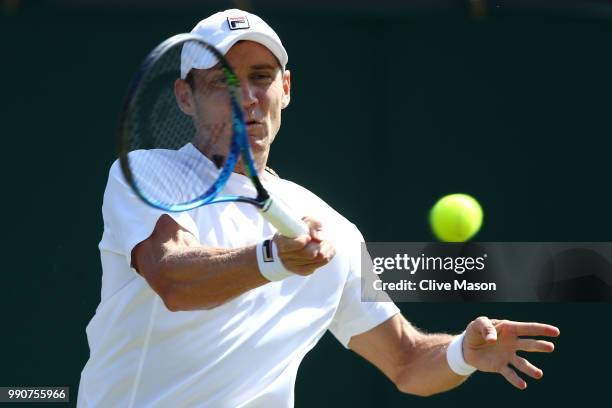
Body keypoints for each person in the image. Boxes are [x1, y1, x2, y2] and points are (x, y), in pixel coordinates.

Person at [77, 9, 559, 407]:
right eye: (220, 83)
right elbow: (173, 278)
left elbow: (408, 362)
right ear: (186, 97)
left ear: (285, 88)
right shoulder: (148, 173)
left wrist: (462, 354)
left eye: (260, 78)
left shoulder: (336, 233)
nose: (246, 97)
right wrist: (274, 260)